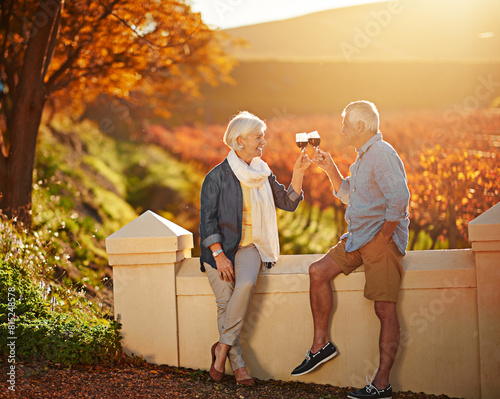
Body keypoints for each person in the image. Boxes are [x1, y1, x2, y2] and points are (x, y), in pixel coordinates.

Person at [291, 101, 410, 399]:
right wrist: (330, 167)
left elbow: (399, 198)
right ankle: (321, 345)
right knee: (317, 272)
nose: (341, 129)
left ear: (360, 126)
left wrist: (384, 237)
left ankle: (382, 384)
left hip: (379, 242)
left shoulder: (382, 154)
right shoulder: (363, 158)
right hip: (357, 238)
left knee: (384, 309)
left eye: (345, 124)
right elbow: (349, 196)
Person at [200, 111, 311, 385]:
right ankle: (239, 368)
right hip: (219, 249)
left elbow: (286, 202)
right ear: (240, 140)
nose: (264, 140)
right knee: (226, 304)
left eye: (263, 135)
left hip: (250, 246)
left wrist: (298, 173)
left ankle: (221, 349)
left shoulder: (263, 171)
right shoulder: (216, 177)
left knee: (246, 285)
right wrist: (219, 255)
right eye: (258, 136)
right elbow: (207, 222)